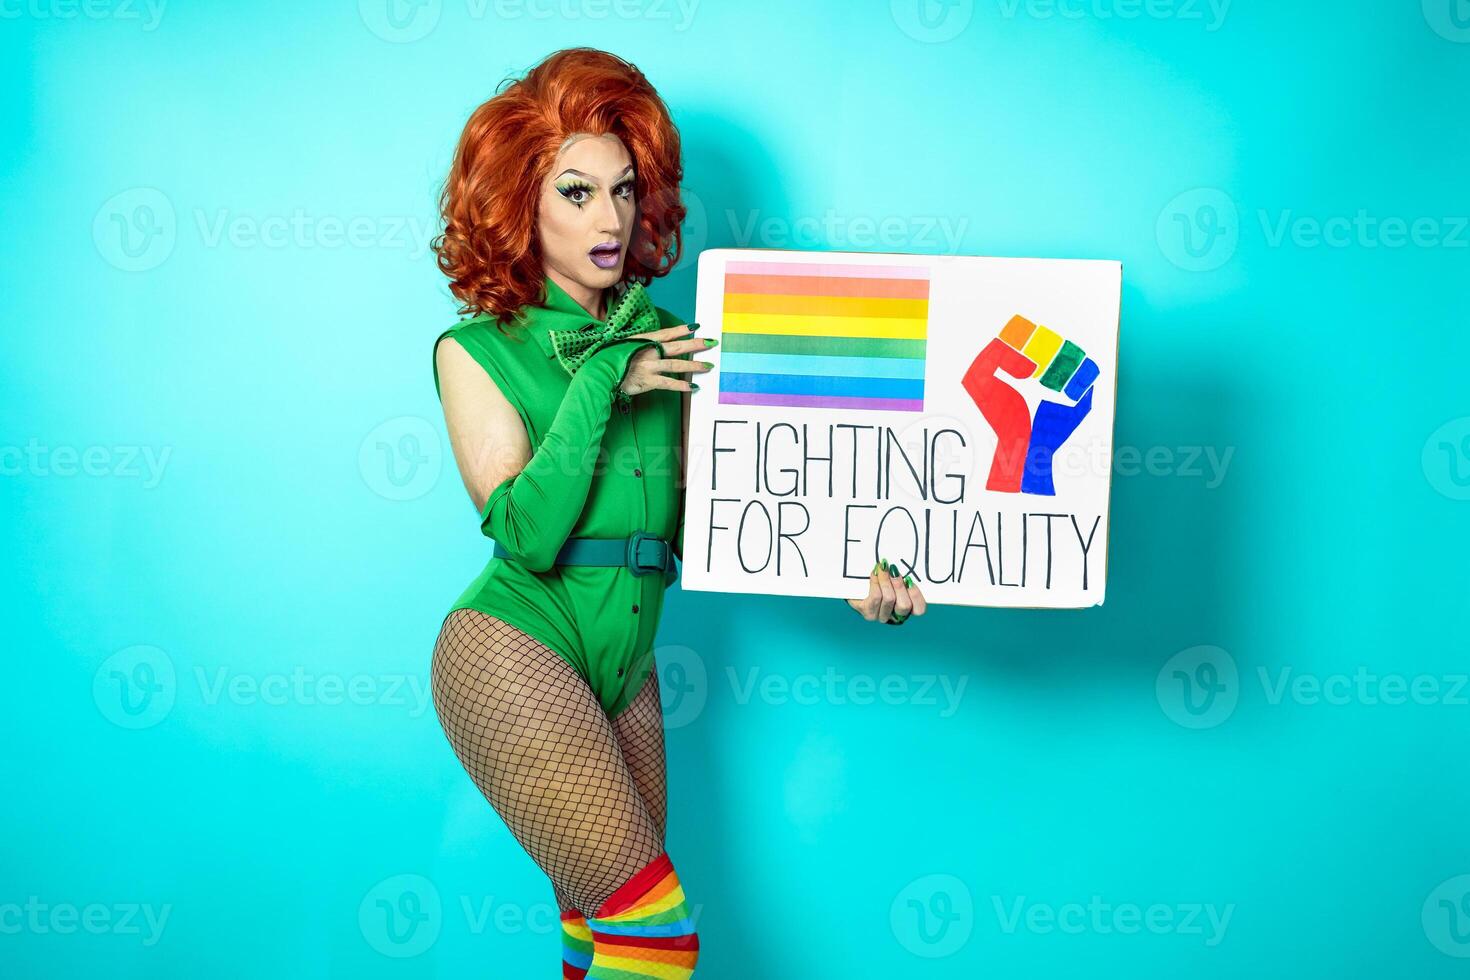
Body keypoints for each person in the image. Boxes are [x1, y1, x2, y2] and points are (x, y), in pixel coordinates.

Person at [427, 47, 927, 978]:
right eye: (576, 192)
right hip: (509, 644)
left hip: (625, 667)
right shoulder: (475, 352)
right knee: (654, 934)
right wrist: (609, 377)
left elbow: (723, 521)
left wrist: (855, 575)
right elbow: (529, 534)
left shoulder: (672, 342)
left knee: (599, 928)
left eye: (625, 190)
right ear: (518, 199)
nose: (608, 218)